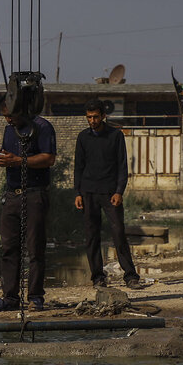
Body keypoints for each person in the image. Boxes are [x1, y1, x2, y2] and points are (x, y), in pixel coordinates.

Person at [0, 109, 56, 311]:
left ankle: (35, 297)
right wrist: (3, 160)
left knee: (35, 247)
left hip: (34, 193)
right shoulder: (9, 130)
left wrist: (19, 160)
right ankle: (10, 297)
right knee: (9, 247)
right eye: (5, 116)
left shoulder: (42, 127)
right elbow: (7, 155)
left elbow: (48, 158)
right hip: (11, 194)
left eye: (12, 115)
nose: (9, 119)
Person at [74, 100, 140, 289]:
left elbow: (122, 166)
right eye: (89, 117)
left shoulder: (115, 136)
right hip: (88, 193)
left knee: (118, 233)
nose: (92, 120)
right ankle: (98, 277)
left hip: (110, 193)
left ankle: (130, 276)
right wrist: (77, 193)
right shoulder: (83, 137)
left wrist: (119, 191)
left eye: (95, 116)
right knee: (92, 236)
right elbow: (78, 167)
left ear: (103, 116)